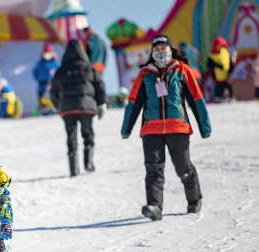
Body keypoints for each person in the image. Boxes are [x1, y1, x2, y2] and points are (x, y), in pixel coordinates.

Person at [121, 34, 212, 221]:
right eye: (157, 50)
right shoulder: (145, 74)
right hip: (151, 130)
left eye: (164, 49)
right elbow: (133, 103)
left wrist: (204, 126)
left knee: (183, 168)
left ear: (171, 51)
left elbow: (197, 99)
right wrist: (126, 129)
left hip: (178, 128)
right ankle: (155, 207)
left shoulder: (182, 70)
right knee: (153, 169)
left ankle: (195, 200)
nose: (161, 53)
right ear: (152, 53)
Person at [50, 39, 107, 177]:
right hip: (86, 108)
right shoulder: (89, 68)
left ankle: (73, 168)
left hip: (67, 109)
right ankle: (88, 163)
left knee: (71, 136)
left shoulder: (60, 71)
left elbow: (53, 92)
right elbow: (99, 88)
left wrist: (59, 106)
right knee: (88, 133)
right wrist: (102, 104)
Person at [33, 44, 60, 111]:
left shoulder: (55, 63)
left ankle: (54, 108)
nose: (47, 54)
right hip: (43, 85)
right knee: (42, 99)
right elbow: (36, 73)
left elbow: (59, 72)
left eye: (49, 52)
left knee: (53, 97)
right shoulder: (40, 63)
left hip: (53, 85)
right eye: (46, 52)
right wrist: (40, 79)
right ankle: (42, 108)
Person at [207, 37, 232, 103]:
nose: (220, 48)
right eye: (218, 46)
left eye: (221, 46)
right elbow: (209, 65)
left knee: (228, 89)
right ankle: (218, 100)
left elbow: (229, 61)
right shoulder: (212, 55)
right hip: (218, 77)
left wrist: (230, 72)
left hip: (227, 76)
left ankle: (228, 99)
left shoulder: (225, 52)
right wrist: (218, 65)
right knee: (219, 90)